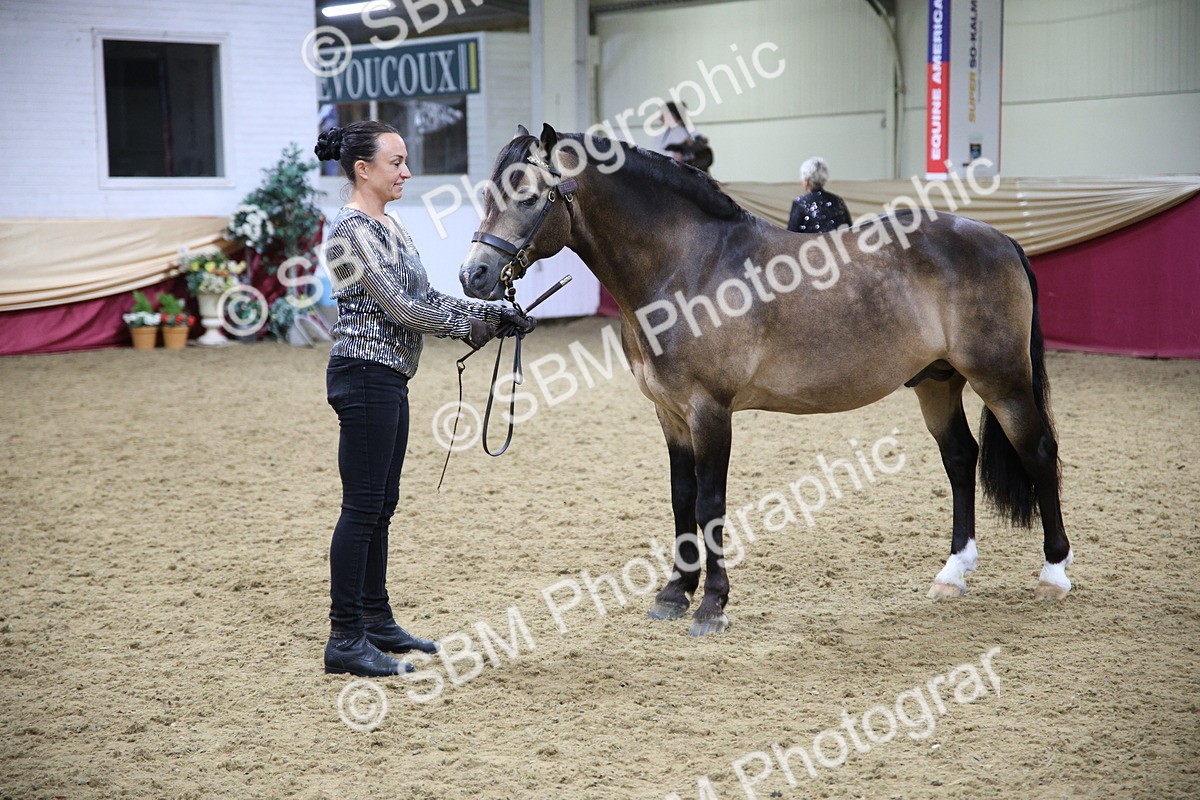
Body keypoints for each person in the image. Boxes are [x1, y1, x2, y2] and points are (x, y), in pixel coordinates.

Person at [314, 120, 536, 677]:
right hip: (364, 374)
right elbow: (405, 311)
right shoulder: (351, 232)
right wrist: (471, 324)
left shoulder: (391, 226)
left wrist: (489, 313)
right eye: (396, 163)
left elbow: (425, 295)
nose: (406, 172)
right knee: (363, 508)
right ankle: (345, 639)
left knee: (381, 505)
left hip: (387, 376)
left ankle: (375, 619)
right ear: (363, 169)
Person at [787, 157, 852, 233]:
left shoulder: (800, 203)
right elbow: (849, 231)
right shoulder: (837, 201)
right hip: (837, 243)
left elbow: (791, 235)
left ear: (806, 180)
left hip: (810, 244)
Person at [653, 101, 714, 173]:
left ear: (672, 115)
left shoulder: (690, 130)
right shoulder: (662, 134)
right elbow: (654, 153)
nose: (660, 118)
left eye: (662, 115)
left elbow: (702, 147)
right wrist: (672, 155)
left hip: (691, 172)